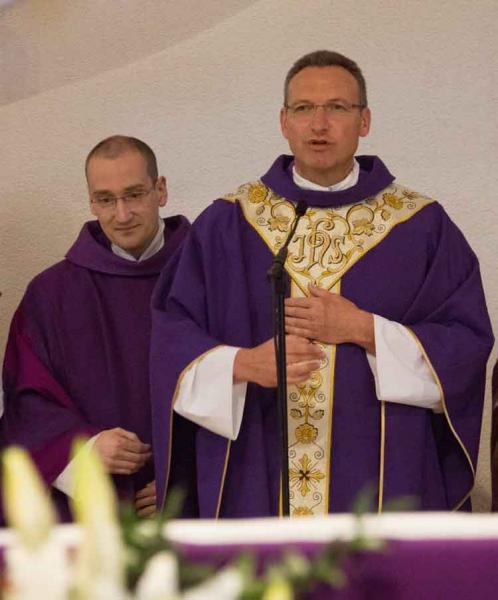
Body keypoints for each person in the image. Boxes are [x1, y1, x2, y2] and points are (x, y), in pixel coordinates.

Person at [151, 51, 494, 518]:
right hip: (258, 471)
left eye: (337, 107)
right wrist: (242, 364)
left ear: (364, 121)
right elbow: (171, 339)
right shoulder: (228, 223)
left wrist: (364, 329)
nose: (319, 124)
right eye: (303, 108)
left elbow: (465, 346)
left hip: (381, 482)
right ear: (283, 121)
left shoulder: (421, 226)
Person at [1, 135, 190, 521]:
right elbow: (26, 401)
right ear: (90, 202)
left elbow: (244, 386)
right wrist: (84, 449)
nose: (122, 214)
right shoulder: (51, 294)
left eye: (134, 194)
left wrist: (190, 480)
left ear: (160, 190)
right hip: (93, 510)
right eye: (106, 199)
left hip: (195, 507)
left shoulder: (207, 274)